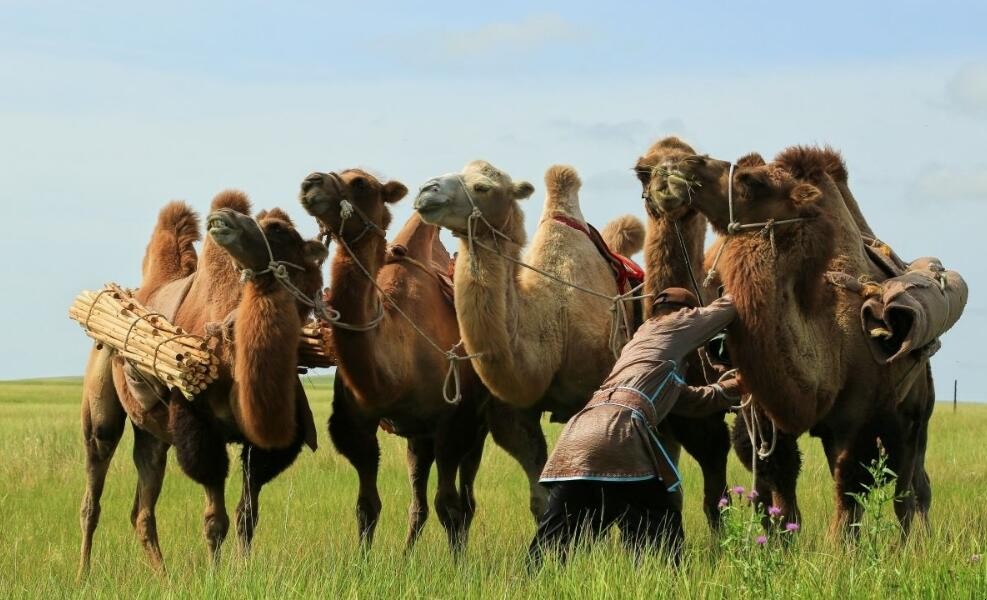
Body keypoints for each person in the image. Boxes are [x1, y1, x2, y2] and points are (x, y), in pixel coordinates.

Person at [528, 288, 743, 567]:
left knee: (552, 546)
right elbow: (728, 307)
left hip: (576, 436)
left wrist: (736, 386)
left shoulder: (642, 346)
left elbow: (691, 401)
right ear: (686, 312)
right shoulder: (676, 323)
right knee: (663, 535)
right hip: (621, 434)